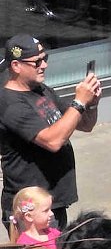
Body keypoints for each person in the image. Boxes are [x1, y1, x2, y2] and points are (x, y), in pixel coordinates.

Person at [0, 34, 101, 231]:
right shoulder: (10, 103)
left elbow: (84, 125)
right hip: (30, 210)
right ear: (16, 66)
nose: (44, 65)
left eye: (45, 59)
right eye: (37, 62)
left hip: (51, 203)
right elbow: (53, 141)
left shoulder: (42, 90)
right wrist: (79, 101)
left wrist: (91, 105)